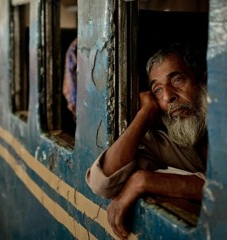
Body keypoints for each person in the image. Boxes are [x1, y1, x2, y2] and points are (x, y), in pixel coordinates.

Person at [85, 43, 208, 239]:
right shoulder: (168, 139)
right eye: (158, 90)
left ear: (204, 79)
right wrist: (146, 112)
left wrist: (142, 181)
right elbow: (102, 183)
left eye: (177, 80)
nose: (168, 97)